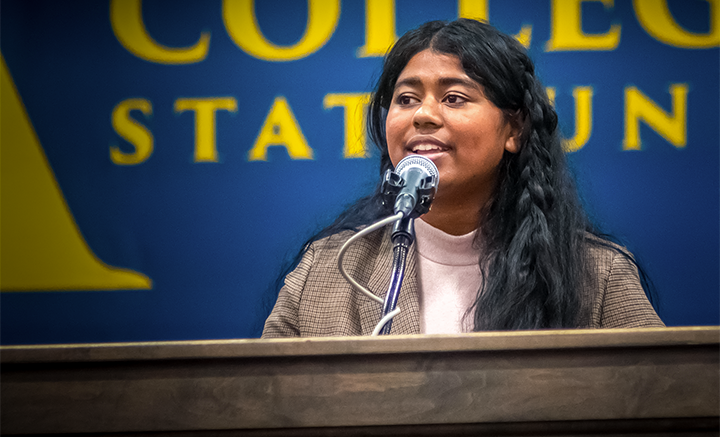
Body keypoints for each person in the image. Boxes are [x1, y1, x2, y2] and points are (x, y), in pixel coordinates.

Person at [262, 18, 664, 338]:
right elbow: (262, 411)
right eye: (406, 99)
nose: (423, 115)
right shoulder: (325, 271)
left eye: (454, 98)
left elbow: (667, 407)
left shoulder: (597, 274)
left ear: (514, 130)